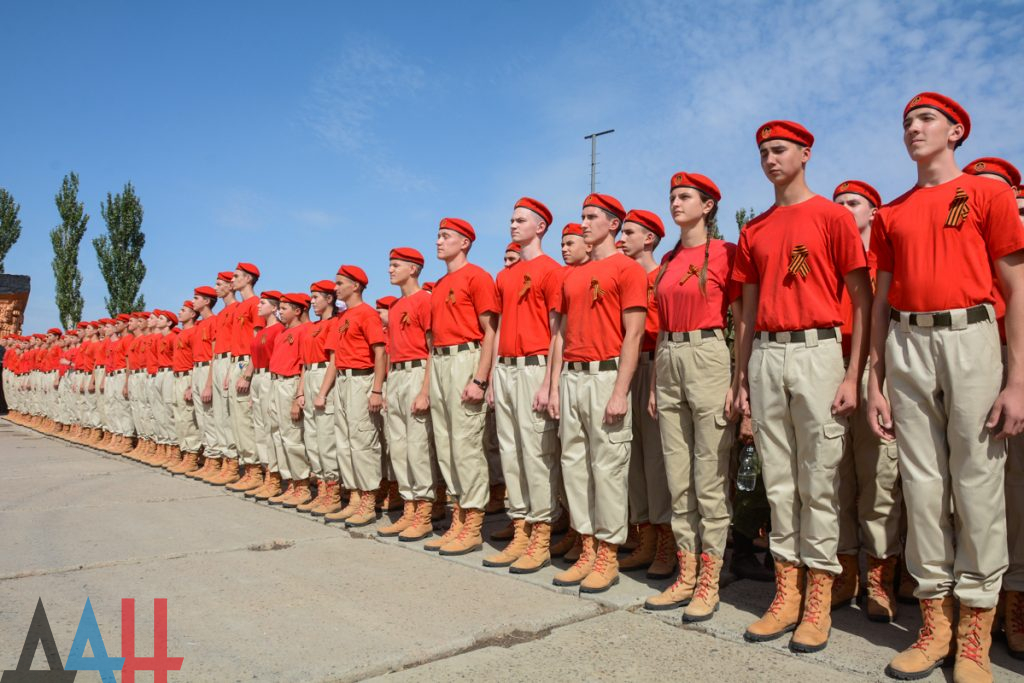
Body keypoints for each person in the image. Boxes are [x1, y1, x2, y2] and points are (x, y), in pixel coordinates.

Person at [868, 93, 1024, 682]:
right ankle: (934, 624)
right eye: (906, 120)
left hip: (972, 336)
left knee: (979, 482)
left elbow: (1014, 288)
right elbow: (880, 302)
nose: (913, 127)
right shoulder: (892, 212)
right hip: (907, 343)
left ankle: (976, 634)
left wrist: (1018, 379)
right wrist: (875, 379)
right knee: (923, 485)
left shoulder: (988, 194)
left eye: (926, 119)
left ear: (956, 129)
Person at [734, 120, 871, 652]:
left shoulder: (832, 217)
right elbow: (744, 313)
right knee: (778, 480)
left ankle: (818, 599)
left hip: (819, 350)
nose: (770, 159)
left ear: (805, 154)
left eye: (780, 149)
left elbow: (860, 300)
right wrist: (742, 377)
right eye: (764, 151)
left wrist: (853, 373)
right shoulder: (756, 228)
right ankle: (785, 593)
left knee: (819, 480)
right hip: (766, 352)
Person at [643, 173, 740, 622]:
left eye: (685, 197)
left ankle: (709, 576)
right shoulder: (667, 259)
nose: (675, 203)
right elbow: (659, 324)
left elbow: (741, 323)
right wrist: (655, 384)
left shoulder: (725, 253)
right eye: (672, 197)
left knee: (709, 475)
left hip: (708, 355)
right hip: (669, 357)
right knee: (677, 476)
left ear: (708, 206)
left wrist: (740, 382)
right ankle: (685, 570)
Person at [548, 193, 646, 593]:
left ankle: (608, 553)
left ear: (612, 224)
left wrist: (621, 391)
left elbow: (634, 334)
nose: (584, 224)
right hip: (572, 375)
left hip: (606, 375)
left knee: (607, 469)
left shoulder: (628, 270)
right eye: (582, 217)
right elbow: (561, 334)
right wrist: (554, 386)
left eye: (591, 217)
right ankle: (586, 546)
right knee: (575, 465)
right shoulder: (571, 275)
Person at [831, 180, 903, 622]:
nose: (843, 209)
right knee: (837, 475)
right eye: (837, 202)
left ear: (874, 212)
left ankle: (879, 574)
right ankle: (845, 569)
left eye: (853, 203)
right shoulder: (829, 258)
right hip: (832, 365)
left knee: (879, 475)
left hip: (878, 369)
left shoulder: (884, 261)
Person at [485, 198, 562, 573]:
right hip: (506, 368)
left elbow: (557, 330)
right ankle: (520, 527)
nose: (513, 225)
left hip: (535, 366)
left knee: (537, 452)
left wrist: (550, 380)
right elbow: (496, 330)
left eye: (520, 220)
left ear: (540, 226)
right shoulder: (505, 276)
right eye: (511, 219)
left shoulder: (552, 270)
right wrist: (491, 378)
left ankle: (542, 535)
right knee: (511, 452)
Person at [425, 217, 498, 555]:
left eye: (446, 236)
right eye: (438, 236)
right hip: (439, 361)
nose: (439, 241)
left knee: (467, 445)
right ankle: (458, 515)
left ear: (465, 242)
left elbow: (490, 332)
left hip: (464, 359)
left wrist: (480, 378)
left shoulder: (477, 277)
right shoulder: (440, 284)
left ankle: (473, 523)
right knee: (446, 444)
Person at [619, 208, 676, 579]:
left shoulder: (662, 276)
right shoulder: (621, 276)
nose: (621, 239)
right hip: (625, 365)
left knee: (656, 460)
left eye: (629, 233)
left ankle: (667, 540)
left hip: (655, 362)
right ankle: (643, 534)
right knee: (630, 456)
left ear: (649, 239)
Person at [317, 266, 387, 527]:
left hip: (361, 378)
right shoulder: (341, 318)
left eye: (340, 283)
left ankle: (369, 500)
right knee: (344, 442)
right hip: (343, 381)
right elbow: (334, 359)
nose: (335, 288)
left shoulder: (367, 314)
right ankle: (355, 498)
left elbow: (380, 352)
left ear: (355, 285)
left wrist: (377, 389)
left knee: (362, 440)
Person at [377, 248, 438, 540]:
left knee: (417, 447)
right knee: (398, 447)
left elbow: (432, 347)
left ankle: (424, 512)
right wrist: (388, 386)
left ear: (413, 269)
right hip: (398, 375)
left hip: (417, 372)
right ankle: (409, 507)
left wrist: (425, 389)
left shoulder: (425, 301)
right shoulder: (397, 306)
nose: (390, 270)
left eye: (396, 265)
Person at [285, 280, 342, 511]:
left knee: (326, 437)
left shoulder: (335, 323)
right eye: (311, 297)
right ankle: (320, 486)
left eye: (317, 297)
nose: (313, 301)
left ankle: (333, 491)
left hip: (323, 376)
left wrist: (322, 392)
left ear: (329, 299)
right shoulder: (311, 327)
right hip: (309, 374)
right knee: (312, 438)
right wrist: (300, 391)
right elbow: (303, 364)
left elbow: (334, 360)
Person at [216, 262, 263, 487]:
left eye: (236, 276)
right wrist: (229, 372)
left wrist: (247, 373)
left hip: (246, 362)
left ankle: (254, 471)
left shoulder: (255, 304)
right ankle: (245, 467)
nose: (232, 280)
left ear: (248, 279)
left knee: (245, 420)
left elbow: (256, 342)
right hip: (235, 363)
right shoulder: (239, 308)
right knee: (234, 419)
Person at [267, 293, 314, 507]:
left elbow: (304, 365)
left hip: (290, 382)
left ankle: (302, 484)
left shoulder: (304, 330)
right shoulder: (282, 333)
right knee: (278, 435)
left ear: (298, 311)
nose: (280, 311)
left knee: (292, 436)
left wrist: (298, 396)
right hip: (275, 382)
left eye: (284, 308)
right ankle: (290, 482)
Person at [246, 291, 287, 500]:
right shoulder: (261, 330)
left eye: (263, 303)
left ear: (274, 307)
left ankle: (276, 475)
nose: (258, 306)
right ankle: (267, 472)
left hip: (271, 377)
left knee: (272, 428)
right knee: (260, 428)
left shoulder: (279, 330)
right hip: (258, 377)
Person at [199, 271, 239, 482]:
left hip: (231, 360)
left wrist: (233, 369)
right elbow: (215, 347)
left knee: (228, 414)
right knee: (218, 415)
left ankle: (231, 463)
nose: (216, 288)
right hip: (219, 360)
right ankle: (222, 460)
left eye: (220, 284)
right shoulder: (222, 314)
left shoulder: (236, 309)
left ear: (230, 287)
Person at [184, 287, 219, 478]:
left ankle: (214, 460)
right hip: (197, 369)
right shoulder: (197, 327)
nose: (193, 301)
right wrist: (191, 383)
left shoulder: (213, 322)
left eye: (196, 298)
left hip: (208, 369)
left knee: (209, 415)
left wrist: (208, 383)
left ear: (206, 301)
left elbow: (214, 353)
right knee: (201, 417)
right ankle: (208, 457)